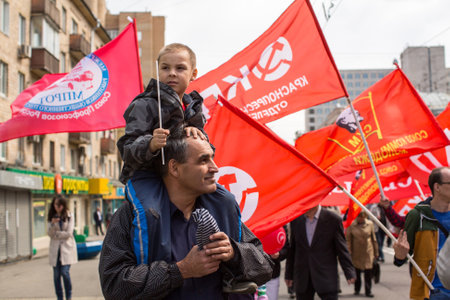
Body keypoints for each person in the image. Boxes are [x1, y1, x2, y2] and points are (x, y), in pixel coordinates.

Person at [99, 126, 274, 299]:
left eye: (212, 158)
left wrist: (234, 253)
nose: (215, 168)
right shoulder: (132, 215)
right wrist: (181, 270)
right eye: (203, 160)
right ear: (174, 168)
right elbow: (114, 286)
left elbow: (265, 267)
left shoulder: (221, 210)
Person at [117, 42, 206, 184]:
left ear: (193, 74)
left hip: (184, 179)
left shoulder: (194, 108)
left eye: (180, 68)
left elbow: (207, 149)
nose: (172, 73)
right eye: (165, 68)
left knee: (223, 199)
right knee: (153, 207)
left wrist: (196, 136)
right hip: (147, 179)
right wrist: (151, 144)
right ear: (157, 71)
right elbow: (127, 151)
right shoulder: (144, 104)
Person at [393, 167, 450, 300]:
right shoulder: (417, 215)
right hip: (429, 292)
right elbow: (401, 257)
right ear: (437, 187)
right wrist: (400, 256)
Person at [285, 205, 356, 300]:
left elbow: (341, 248)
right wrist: (289, 274)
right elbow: (292, 249)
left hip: (326, 276)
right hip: (303, 277)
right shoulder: (296, 221)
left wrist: (349, 270)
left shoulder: (333, 219)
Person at [47, 195, 78, 300]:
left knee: (65, 272)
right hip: (55, 250)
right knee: (56, 276)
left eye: (59, 205)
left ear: (63, 205)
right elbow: (49, 233)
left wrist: (56, 234)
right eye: (55, 204)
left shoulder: (69, 215)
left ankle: (68, 296)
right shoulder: (52, 216)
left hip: (67, 249)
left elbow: (69, 233)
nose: (57, 207)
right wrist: (52, 224)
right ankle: (59, 297)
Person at [346, 211, 378, 298]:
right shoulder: (351, 225)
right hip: (356, 252)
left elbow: (373, 238)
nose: (361, 219)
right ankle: (357, 289)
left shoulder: (370, 224)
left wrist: (376, 252)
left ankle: (368, 291)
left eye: (363, 217)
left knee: (368, 273)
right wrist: (349, 251)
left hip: (368, 251)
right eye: (359, 217)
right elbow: (348, 239)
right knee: (357, 272)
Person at [265, 225, 289, 300]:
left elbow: (286, 249)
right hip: (252, 275)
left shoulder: (280, 224)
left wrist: (279, 254)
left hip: (272, 276)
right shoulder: (252, 218)